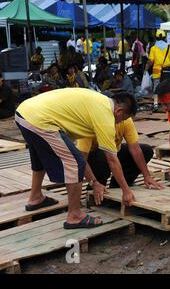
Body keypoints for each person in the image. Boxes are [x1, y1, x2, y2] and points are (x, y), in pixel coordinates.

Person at [15, 89, 139, 229]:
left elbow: (78, 153)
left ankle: (35, 197)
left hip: (24, 113)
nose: (119, 123)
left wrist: (94, 182)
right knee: (74, 163)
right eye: (122, 119)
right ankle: (74, 215)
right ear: (119, 111)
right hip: (40, 120)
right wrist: (126, 191)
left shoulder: (97, 101)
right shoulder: (105, 116)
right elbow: (111, 159)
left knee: (40, 156)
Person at [77, 117, 164, 190]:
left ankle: (118, 186)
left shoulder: (126, 120)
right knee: (103, 156)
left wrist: (147, 175)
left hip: (114, 151)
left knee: (146, 150)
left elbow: (135, 149)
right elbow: (81, 158)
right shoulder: (92, 122)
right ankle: (96, 189)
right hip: (93, 156)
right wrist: (93, 182)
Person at [145, 30, 170, 110]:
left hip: (156, 71)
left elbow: (151, 61)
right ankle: (168, 104)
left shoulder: (153, 48)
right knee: (167, 87)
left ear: (156, 37)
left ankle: (156, 104)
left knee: (156, 87)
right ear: (164, 37)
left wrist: (146, 68)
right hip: (167, 71)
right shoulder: (169, 47)